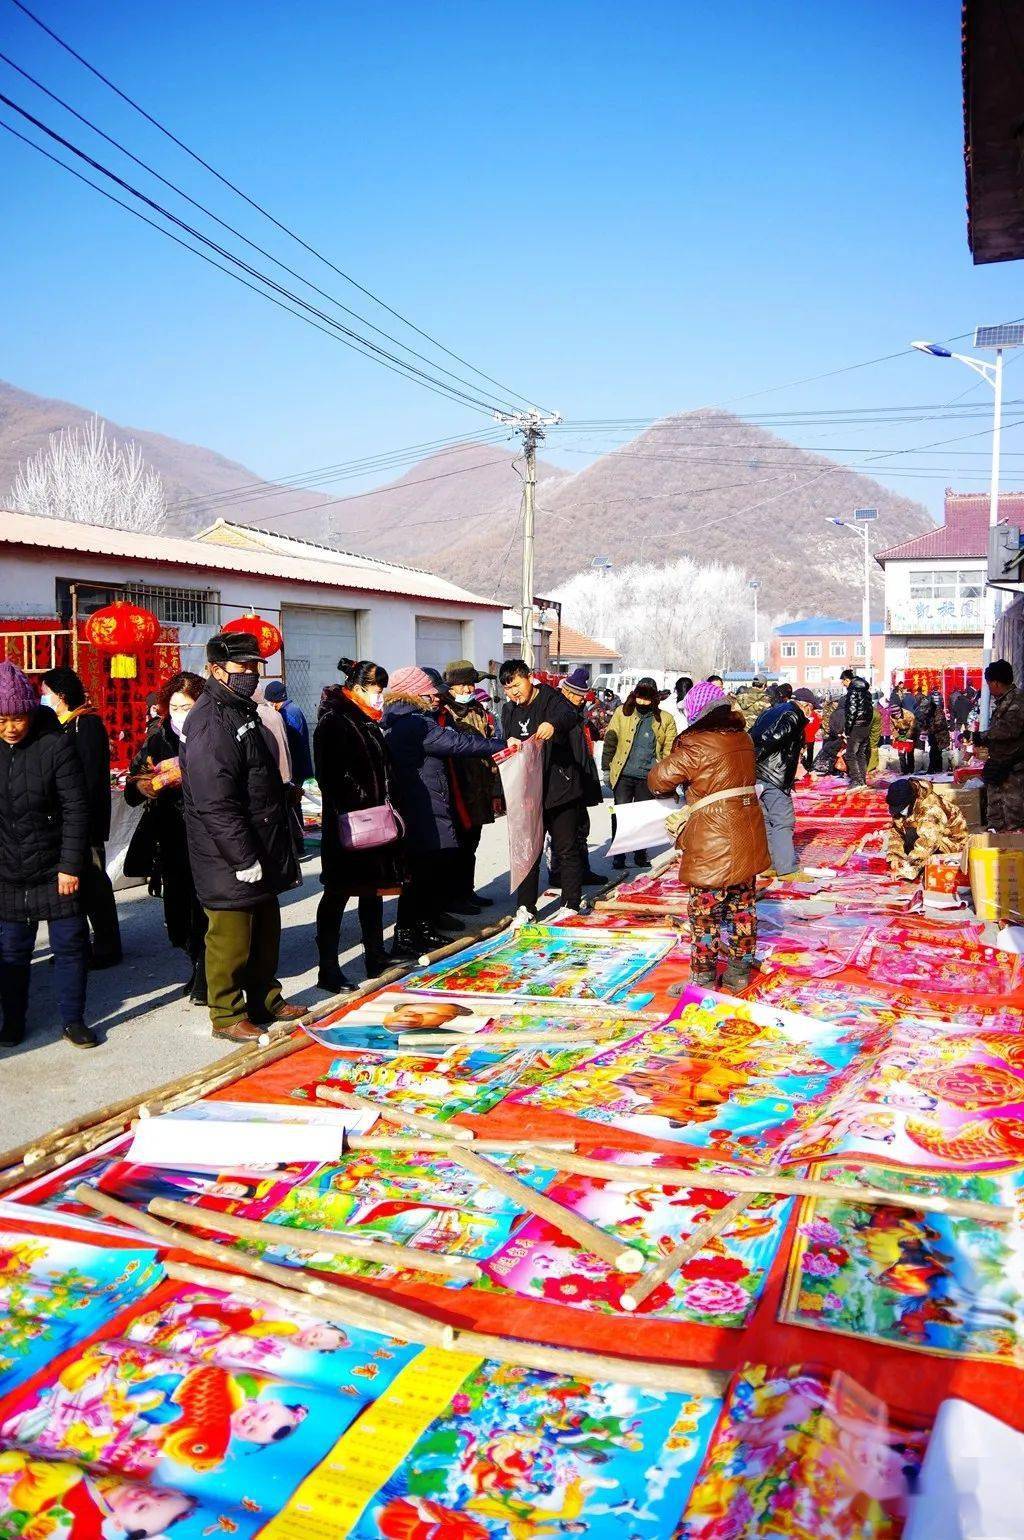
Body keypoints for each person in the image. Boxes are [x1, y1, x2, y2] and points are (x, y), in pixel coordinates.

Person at [179, 632, 304, 1043]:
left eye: (254, 667)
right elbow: (216, 801)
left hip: (260, 840)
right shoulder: (210, 721)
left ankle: (265, 998)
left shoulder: (241, 710)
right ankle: (227, 1014)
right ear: (215, 670)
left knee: (266, 929)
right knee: (231, 938)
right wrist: (241, 857)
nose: (250, 674)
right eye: (242, 668)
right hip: (227, 852)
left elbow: (254, 775)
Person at [648, 680, 770, 990]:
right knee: (743, 908)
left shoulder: (697, 744)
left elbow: (659, 779)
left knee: (705, 912)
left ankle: (702, 978)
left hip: (712, 841)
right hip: (746, 835)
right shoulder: (742, 737)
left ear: (696, 713)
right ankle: (739, 972)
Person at [0, 662, 95, 1048]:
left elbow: (77, 808)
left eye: (17, 717)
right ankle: (13, 1021)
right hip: (8, 868)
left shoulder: (55, 744)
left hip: (56, 867)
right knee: (12, 951)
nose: (10, 727)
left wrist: (70, 865)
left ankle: (73, 1020)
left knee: (70, 945)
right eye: (2, 719)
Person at [384, 665, 504, 955]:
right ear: (415, 693)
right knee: (419, 875)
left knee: (428, 873)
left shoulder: (406, 719)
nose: (438, 697)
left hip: (424, 804)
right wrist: (499, 745)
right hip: (421, 807)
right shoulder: (413, 723)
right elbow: (458, 743)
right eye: (431, 693)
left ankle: (423, 927)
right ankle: (405, 936)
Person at [314, 658, 403, 991]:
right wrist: (364, 799)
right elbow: (332, 776)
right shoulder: (335, 721)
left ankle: (375, 954)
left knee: (372, 890)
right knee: (337, 894)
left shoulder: (367, 720)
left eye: (381, 691)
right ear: (356, 688)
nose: (379, 698)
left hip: (374, 822)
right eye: (375, 691)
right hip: (347, 824)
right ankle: (328, 968)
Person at [124, 671, 208, 1004]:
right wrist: (146, 784)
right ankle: (194, 959)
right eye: (174, 706)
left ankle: (205, 974)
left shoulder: (211, 736)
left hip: (208, 836)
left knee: (206, 911)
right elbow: (133, 788)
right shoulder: (157, 738)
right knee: (178, 916)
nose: (179, 714)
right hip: (171, 840)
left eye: (186, 706)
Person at [39, 666, 121, 967]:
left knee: (95, 884)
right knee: (76, 889)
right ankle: (76, 946)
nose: (43, 698)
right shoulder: (61, 724)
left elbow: (86, 779)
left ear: (60, 695)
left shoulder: (84, 725)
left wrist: (76, 819)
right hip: (68, 821)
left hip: (84, 821)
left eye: (45, 693)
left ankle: (107, 946)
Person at [498, 659, 589, 918]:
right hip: (528, 791)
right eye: (508, 689)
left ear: (528, 677)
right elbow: (504, 738)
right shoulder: (509, 710)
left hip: (559, 787)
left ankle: (570, 903)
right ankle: (525, 906)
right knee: (528, 850)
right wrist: (509, 742)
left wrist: (553, 725)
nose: (513, 692)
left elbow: (570, 715)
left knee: (565, 847)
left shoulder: (551, 699)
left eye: (516, 685)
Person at [440, 659, 502, 913]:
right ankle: (453, 897)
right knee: (456, 848)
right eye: (463, 685)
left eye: (471, 685)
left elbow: (491, 749)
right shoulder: (443, 714)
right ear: (450, 686)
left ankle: (467, 892)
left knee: (471, 846)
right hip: (455, 791)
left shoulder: (479, 711)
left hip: (478, 790)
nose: (468, 690)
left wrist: (496, 790)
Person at [601, 676, 677, 871]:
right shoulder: (622, 713)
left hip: (647, 775)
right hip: (624, 774)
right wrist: (607, 769)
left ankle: (640, 853)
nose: (642, 702)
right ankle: (619, 853)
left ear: (654, 699)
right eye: (639, 698)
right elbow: (610, 740)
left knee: (644, 817)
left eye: (647, 699)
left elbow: (670, 750)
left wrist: (666, 777)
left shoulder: (665, 719)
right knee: (621, 814)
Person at [555, 668, 605, 887]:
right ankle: (560, 874)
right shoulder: (558, 712)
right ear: (566, 691)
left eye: (583, 696)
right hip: (564, 779)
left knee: (581, 827)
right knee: (564, 833)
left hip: (580, 775)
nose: (580, 699)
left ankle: (582, 870)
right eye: (577, 695)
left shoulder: (578, 712)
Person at [751, 683, 804, 876]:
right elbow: (772, 738)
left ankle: (770, 864)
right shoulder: (792, 714)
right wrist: (760, 754)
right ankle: (786, 868)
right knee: (783, 821)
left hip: (757, 773)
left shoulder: (768, 713)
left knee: (766, 820)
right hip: (774, 774)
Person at [884, 778, 968, 879]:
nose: (900, 813)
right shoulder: (905, 807)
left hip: (951, 840)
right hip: (927, 833)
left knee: (926, 858)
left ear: (911, 800)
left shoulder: (930, 808)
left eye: (902, 809)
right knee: (909, 833)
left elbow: (928, 842)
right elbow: (897, 831)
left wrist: (907, 869)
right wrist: (895, 856)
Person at [975, 659, 1024, 831]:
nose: (989, 688)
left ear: (995, 682)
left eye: (989, 684)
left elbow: (1008, 730)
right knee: (995, 819)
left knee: (1013, 821)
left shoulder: (1017, 700)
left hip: (1013, 771)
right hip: (1000, 767)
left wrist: (981, 736)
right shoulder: (1004, 700)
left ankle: (1011, 853)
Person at [262, 679, 313, 785]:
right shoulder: (293, 709)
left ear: (273, 701)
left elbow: (288, 742)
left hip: (294, 768)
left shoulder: (286, 714)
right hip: (298, 766)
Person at [839, 668, 872, 787]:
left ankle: (857, 780)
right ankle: (862, 780)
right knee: (861, 754)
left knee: (850, 754)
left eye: (843, 681)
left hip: (856, 726)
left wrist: (848, 729)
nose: (843, 684)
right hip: (865, 725)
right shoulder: (866, 691)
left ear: (847, 680)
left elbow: (852, 711)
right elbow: (870, 709)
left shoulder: (853, 690)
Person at [916, 691, 950, 774]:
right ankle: (937, 769)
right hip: (932, 735)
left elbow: (939, 724)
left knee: (935, 752)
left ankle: (933, 769)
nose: (924, 711)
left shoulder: (938, 711)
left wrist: (928, 730)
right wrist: (922, 729)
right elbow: (924, 722)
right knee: (936, 752)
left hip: (940, 736)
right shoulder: (927, 712)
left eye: (925, 709)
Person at [793, 689, 821, 773]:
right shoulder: (813, 714)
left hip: (806, 738)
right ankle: (808, 765)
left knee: (802, 753)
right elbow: (817, 724)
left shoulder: (809, 714)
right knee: (808, 753)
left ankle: (806, 765)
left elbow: (816, 724)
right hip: (808, 738)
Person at [890, 700, 919, 775]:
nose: (896, 716)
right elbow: (892, 727)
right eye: (894, 715)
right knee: (901, 753)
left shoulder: (909, 715)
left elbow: (913, 727)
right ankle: (904, 770)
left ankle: (911, 770)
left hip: (910, 733)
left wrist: (907, 736)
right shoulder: (892, 716)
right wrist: (897, 736)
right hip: (900, 733)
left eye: (897, 714)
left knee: (910, 753)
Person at [867, 697, 884, 778]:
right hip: (872, 734)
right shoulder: (875, 712)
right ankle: (870, 768)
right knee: (873, 748)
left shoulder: (871, 712)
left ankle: (869, 768)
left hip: (863, 735)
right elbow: (876, 730)